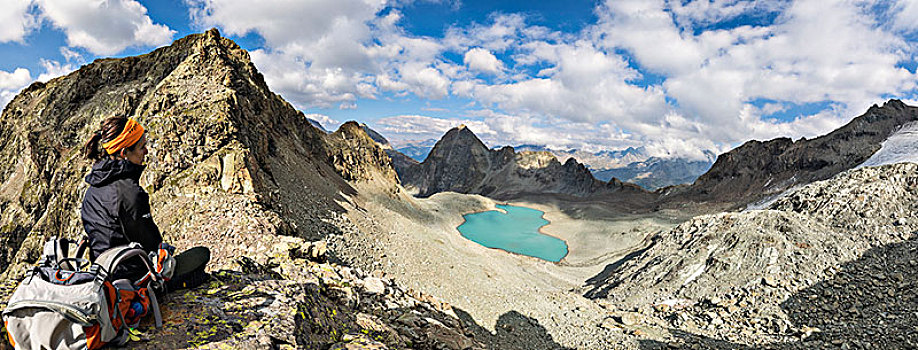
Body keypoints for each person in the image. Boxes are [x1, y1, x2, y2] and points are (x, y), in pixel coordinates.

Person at [80, 116, 209, 290]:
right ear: (124, 153)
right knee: (201, 255)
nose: (146, 151)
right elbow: (150, 244)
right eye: (141, 147)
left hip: (104, 277)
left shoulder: (92, 190)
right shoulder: (130, 193)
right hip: (135, 279)